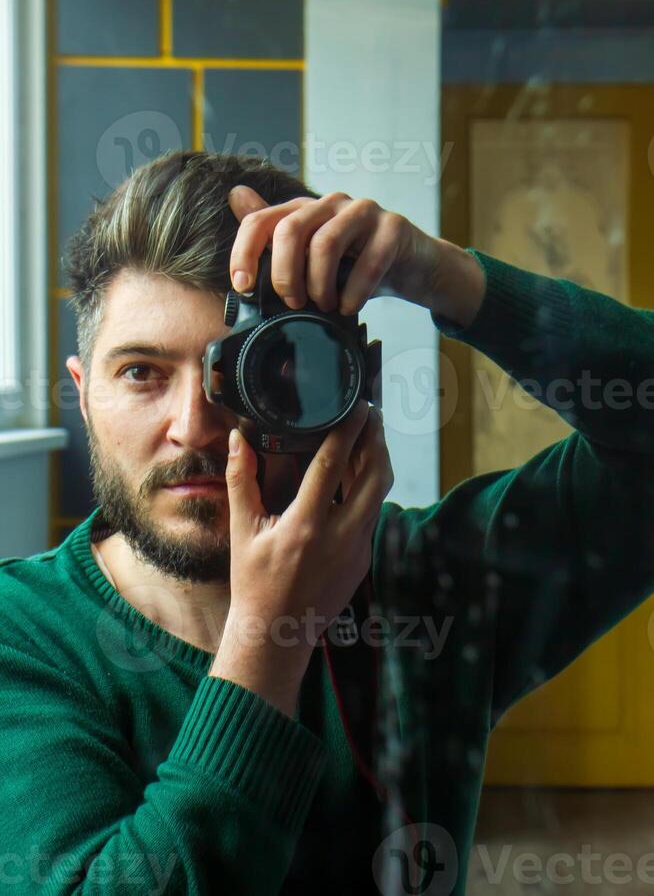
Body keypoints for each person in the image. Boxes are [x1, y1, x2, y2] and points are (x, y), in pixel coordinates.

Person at [0, 149, 652, 896]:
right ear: (82, 396)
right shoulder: (23, 637)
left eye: (252, 368)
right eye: (142, 372)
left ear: (349, 385)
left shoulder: (422, 587)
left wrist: (448, 278)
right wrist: (266, 644)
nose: (195, 426)